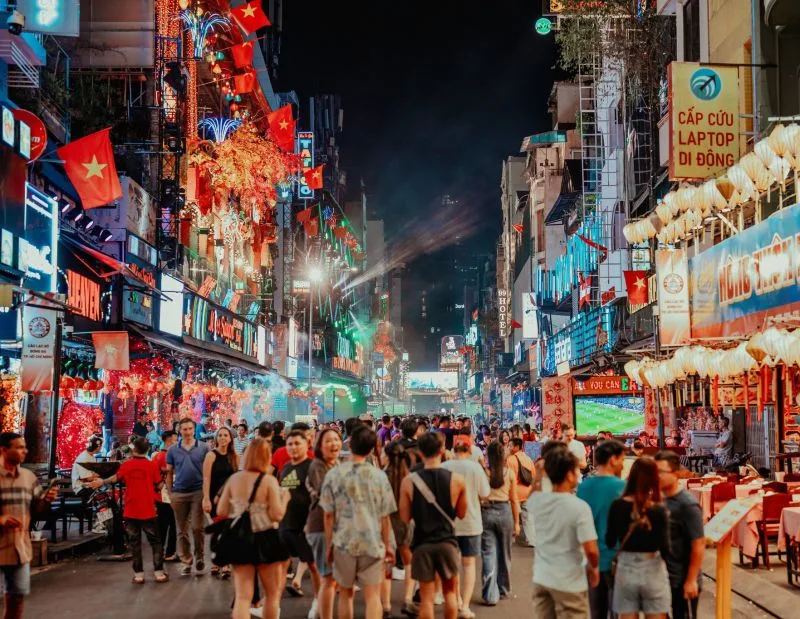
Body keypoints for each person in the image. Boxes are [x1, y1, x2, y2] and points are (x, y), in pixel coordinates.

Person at [320, 425, 396, 619]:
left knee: (346, 594)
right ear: (372, 449)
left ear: (350, 445)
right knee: (373, 596)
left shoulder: (334, 475)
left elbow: (328, 515)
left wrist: (329, 545)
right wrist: (387, 545)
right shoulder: (379, 476)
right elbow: (385, 516)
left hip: (343, 543)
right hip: (372, 542)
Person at [216, 438, 291, 619]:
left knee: (243, 596)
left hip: (240, 539)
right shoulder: (268, 481)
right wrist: (285, 499)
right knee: (272, 595)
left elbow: (221, 510)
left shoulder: (234, 479)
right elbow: (277, 515)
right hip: (266, 538)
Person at [399, 432, 466, 619]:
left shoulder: (408, 481)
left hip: (421, 544)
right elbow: (462, 513)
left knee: (427, 598)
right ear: (442, 450)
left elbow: (404, 518)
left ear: (420, 451)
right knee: (450, 594)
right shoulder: (457, 480)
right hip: (448, 543)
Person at [528, 446, 599, 619]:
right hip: (569, 583)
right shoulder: (579, 507)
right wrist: (594, 568)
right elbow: (591, 549)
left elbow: (533, 493)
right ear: (568, 474)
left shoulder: (538, 501)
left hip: (542, 578)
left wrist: (538, 475)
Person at [91, 436, 167, 584]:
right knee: (156, 542)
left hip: (131, 509)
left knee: (135, 542)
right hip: (148, 509)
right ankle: (159, 573)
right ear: (147, 449)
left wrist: (102, 481)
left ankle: (139, 575)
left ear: (134, 449)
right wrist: (164, 476)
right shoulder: (151, 465)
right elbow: (158, 486)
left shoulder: (127, 465)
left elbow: (114, 479)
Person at [606, 457, 671, 619]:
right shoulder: (658, 510)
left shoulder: (617, 505)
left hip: (626, 569)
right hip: (653, 568)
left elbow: (610, 540)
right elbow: (665, 548)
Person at [576, 440, 627, 619]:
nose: (623, 463)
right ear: (613, 459)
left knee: (596, 611)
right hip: (618, 560)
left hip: (591, 560)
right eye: (621, 459)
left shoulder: (582, 487)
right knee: (618, 612)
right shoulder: (623, 488)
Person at [442, 433, 490, 619]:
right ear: (469, 450)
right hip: (471, 522)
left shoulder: (444, 467)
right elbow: (485, 493)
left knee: (453, 565)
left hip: (449, 523)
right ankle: (465, 607)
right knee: (469, 565)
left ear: (453, 449)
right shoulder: (475, 468)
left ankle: (458, 599)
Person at [655, 451, 705, 619]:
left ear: (676, 473)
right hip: (664, 577)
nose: (657, 476)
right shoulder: (660, 499)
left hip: (681, 579)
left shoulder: (687, 505)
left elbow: (698, 544)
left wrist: (691, 580)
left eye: (661, 472)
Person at [279, 429, 320, 616]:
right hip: (285, 524)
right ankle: (272, 604)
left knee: (312, 565)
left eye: (297, 443)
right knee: (279, 565)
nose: (294, 447)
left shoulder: (312, 467)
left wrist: (311, 522)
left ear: (307, 444)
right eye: (290, 444)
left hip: (306, 525)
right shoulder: (286, 467)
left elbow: (319, 497)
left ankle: (319, 602)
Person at [166, 417, 210, 576]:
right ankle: (186, 560)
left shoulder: (204, 448)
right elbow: (169, 472)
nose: (187, 432)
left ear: (194, 429)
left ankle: (199, 557)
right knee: (181, 530)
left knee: (198, 527)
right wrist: (170, 493)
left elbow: (208, 472)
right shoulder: (172, 450)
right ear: (179, 430)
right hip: (179, 493)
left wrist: (207, 493)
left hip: (198, 492)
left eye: (190, 429)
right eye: (184, 429)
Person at [306, 428, 342, 619]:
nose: (334, 444)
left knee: (331, 579)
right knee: (328, 578)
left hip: (334, 526)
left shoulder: (336, 464)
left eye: (336, 439)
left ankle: (318, 610)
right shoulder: (317, 466)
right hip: (320, 526)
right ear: (319, 445)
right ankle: (319, 612)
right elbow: (326, 494)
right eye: (328, 440)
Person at [479, 440, 519, 606]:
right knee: (505, 554)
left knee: (488, 554)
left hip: (486, 513)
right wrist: (517, 522)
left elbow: (479, 495)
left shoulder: (484, 473)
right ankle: (504, 589)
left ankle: (490, 595)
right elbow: (514, 499)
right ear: (503, 455)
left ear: (488, 455)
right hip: (505, 513)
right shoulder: (509, 473)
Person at [382, 441, 416, 617]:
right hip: (406, 521)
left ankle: (386, 604)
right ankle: (408, 599)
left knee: (387, 562)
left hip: (386, 521)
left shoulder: (381, 477)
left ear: (387, 456)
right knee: (409, 561)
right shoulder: (409, 477)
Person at [202, 426, 238, 577]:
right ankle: (217, 561)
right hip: (214, 498)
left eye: (226, 435)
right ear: (216, 438)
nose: (223, 438)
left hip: (229, 498)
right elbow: (206, 478)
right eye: (220, 435)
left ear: (230, 438)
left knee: (228, 531)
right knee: (218, 531)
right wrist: (206, 498)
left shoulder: (234, 456)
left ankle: (226, 563)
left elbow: (235, 478)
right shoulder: (211, 455)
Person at [153, 430, 178, 562]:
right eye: (175, 440)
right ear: (168, 440)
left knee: (164, 525)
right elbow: (168, 476)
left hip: (161, 496)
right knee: (170, 525)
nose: (177, 442)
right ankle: (168, 552)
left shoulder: (157, 456)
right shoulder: (165, 456)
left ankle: (163, 552)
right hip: (165, 495)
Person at [506, 438, 534, 547]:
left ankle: (511, 540)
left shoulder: (510, 460)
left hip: (515, 494)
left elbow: (509, 478)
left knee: (513, 517)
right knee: (528, 518)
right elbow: (533, 476)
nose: (509, 448)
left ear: (517, 447)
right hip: (527, 492)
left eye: (510, 446)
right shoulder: (528, 459)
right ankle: (532, 540)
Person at [101, 388, 114, 457]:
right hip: (107, 422)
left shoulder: (109, 395)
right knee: (107, 437)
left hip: (110, 421)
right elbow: (102, 407)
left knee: (109, 437)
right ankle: (106, 451)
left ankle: (108, 452)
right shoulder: (105, 395)